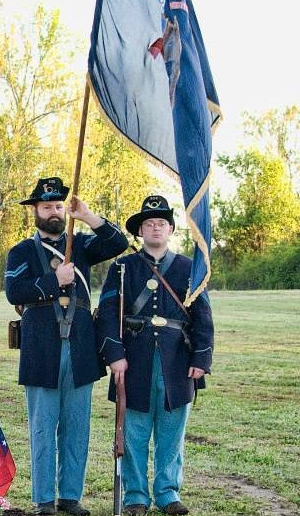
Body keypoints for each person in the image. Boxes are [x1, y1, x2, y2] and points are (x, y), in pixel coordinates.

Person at [4, 176, 129, 516]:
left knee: (77, 428)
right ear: (36, 211)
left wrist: (88, 216)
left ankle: (70, 497)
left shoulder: (83, 244)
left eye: (59, 206)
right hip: (41, 349)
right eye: (47, 206)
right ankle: (44, 499)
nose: (54, 212)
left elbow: (119, 243)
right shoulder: (22, 251)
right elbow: (14, 292)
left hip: (80, 348)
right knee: (44, 428)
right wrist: (53, 281)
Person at [96, 196, 214, 516]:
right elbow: (107, 314)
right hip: (134, 360)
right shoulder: (122, 267)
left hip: (177, 361)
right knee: (133, 432)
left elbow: (202, 316)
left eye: (161, 223)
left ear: (171, 229)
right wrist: (114, 355)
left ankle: (167, 493)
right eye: (149, 224)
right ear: (141, 232)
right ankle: (135, 496)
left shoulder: (190, 267)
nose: (155, 228)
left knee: (171, 433)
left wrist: (201, 359)